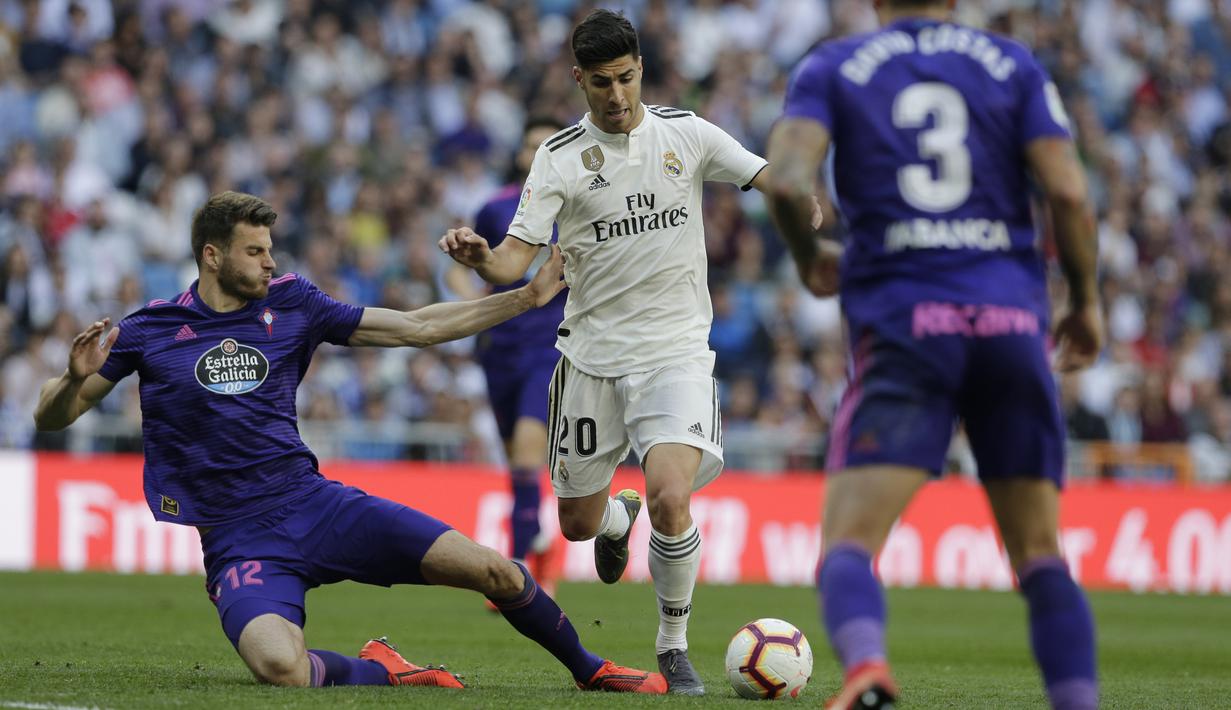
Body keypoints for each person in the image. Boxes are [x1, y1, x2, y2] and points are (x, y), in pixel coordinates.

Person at [33, 191, 666, 694]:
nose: (270, 262)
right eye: (255, 251)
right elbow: (54, 418)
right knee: (280, 669)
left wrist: (524, 297)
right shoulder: (150, 329)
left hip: (316, 505)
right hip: (237, 538)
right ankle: (385, 669)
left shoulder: (295, 304)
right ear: (212, 256)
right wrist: (71, 378)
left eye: (270, 249)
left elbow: (416, 327)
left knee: (494, 570)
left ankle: (593, 669)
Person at [438, 9, 791, 696]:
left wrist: (802, 201)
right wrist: (483, 260)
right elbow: (515, 259)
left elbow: (763, 174)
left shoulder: (684, 134)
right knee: (573, 524)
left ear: (640, 70)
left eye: (626, 78)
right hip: (591, 359)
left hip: (676, 352)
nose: (617, 95)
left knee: (669, 497)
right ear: (579, 80)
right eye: (600, 83)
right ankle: (613, 517)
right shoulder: (559, 158)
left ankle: (672, 645)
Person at [764, 1, 1102, 708]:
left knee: (847, 544)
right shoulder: (1011, 63)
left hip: (906, 325)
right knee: (1040, 555)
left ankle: (866, 668)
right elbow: (1068, 191)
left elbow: (790, 180)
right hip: (1010, 322)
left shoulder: (832, 65)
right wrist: (1085, 300)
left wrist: (807, 258)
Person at [445, 117, 569, 599]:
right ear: (520, 154)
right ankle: (536, 538)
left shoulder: (577, 207)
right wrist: (468, 305)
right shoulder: (496, 208)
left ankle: (519, 564)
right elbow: (467, 269)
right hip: (499, 345)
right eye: (529, 144)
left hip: (552, 345)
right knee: (513, 453)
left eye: (546, 144)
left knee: (525, 446)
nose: (536, 151)